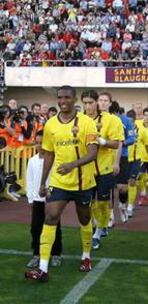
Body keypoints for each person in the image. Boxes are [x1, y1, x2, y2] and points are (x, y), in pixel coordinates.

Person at [25, 85, 98, 282]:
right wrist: (42, 182)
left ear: (74, 99)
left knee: (84, 220)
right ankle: (43, 268)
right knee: (50, 217)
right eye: (60, 98)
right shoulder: (50, 125)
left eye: (67, 97)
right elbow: (49, 154)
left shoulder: (87, 123)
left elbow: (93, 153)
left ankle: (86, 256)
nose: (63, 101)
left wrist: (72, 165)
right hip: (59, 182)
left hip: (83, 182)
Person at [81, 90, 124, 250]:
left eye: (91, 102)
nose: (88, 106)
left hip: (105, 167)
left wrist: (103, 141)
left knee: (102, 202)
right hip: (86, 168)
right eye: (85, 103)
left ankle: (98, 232)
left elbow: (117, 143)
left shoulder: (112, 120)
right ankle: (96, 227)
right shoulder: (80, 120)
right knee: (88, 203)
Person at [26, 131, 63, 269]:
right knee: (35, 228)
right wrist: (31, 198)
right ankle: (37, 254)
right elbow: (29, 180)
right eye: (37, 142)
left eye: (42, 143)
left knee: (54, 227)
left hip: (52, 200)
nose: (40, 145)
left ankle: (56, 253)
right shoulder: (32, 161)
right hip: (37, 200)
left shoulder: (53, 161)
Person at [97, 92, 123, 228]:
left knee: (108, 191)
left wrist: (116, 162)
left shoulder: (115, 120)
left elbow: (119, 143)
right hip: (92, 163)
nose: (102, 103)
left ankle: (110, 214)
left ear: (110, 103)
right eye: (100, 100)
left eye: (105, 100)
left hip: (108, 162)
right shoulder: (90, 118)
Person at [109, 100, 136, 223]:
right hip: (106, 157)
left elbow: (132, 138)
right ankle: (110, 216)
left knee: (122, 188)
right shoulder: (102, 121)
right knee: (108, 188)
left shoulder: (126, 121)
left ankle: (122, 205)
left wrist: (122, 143)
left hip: (123, 157)